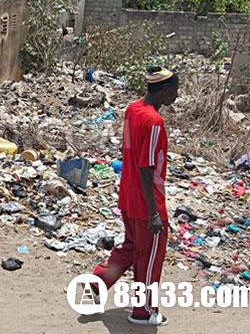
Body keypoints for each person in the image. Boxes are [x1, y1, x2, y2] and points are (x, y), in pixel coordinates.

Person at [91, 66, 179, 326]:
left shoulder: (133, 109)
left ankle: (99, 281)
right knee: (150, 256)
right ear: (164, 91)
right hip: (145, 202)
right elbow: (146, 166)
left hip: (128, 195)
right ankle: (143, 311)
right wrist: (154, 212)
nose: (176, 94)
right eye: (174, 90)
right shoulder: (154, 122)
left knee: (132, 246)